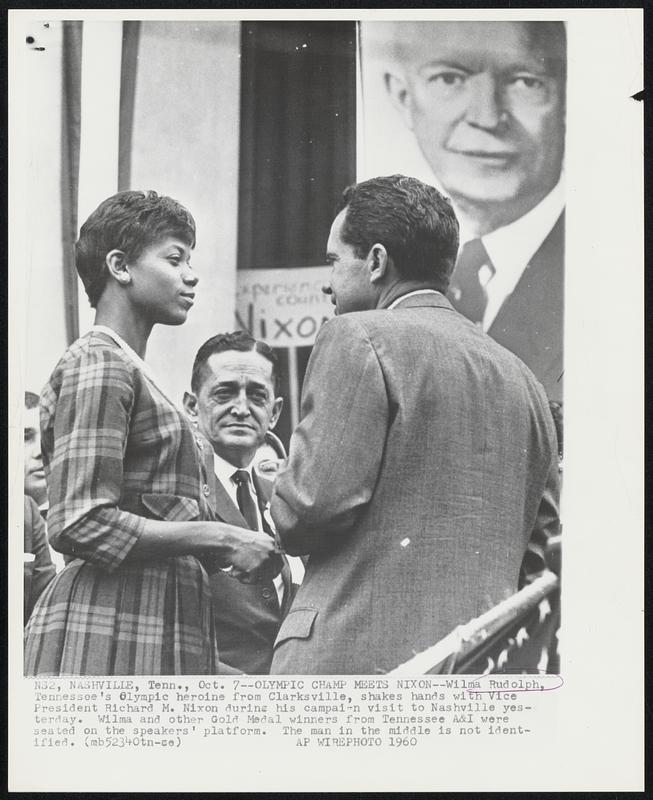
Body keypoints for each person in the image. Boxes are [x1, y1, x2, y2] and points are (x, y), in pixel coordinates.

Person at [269, 175, 560, 675]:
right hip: (478, 677)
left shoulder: (354, 336)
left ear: (378, 262)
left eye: (334, 261)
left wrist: (277, 486)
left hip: (351, 665)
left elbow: (308, 512)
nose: (327, 281)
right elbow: (539, 560)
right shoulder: (525, 382)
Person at [24, 191, 281, 676]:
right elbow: (77, 521)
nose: (192, 273)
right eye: (175, 257)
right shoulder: (100, 363)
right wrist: (221, 538)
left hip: (150, 621)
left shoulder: (129, 369)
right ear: (120, 267)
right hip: (111, 627)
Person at [383, 21, 565, 401]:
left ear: (568, 99)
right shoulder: (399, 266)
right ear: (403, 98)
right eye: (450, 78)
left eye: (525, 81)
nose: (487, 116)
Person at [184, 332, 303, 674]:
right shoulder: (179, 495)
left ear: (275, 412)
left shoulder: (284, 498)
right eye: (224, 393)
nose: (240, 408)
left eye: (256, 395)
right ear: (192, 406)